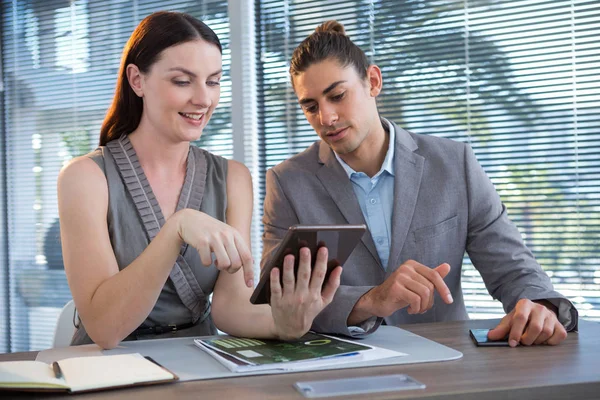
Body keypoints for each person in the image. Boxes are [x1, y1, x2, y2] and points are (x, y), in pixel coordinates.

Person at [261, 20, 578, 347]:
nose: (325, 118)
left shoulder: (455, 164)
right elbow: (279, 297)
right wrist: (371, 300)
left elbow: (513, 267)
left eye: (337, 95)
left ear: (372, 81)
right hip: (338, 366)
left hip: (445, 364)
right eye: (310, 106)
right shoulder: (288, 183)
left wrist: (537, 305)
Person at [57, 11, 341, 349]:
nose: (203, 99)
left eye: (213, 81)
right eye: (182, 81)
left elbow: (229, 307)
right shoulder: (85, 178)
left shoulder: (233, 178)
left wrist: (283, 324)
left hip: (198, 362)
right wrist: (177, 228)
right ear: (137, 80)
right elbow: (104, 328)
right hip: (108, 368)